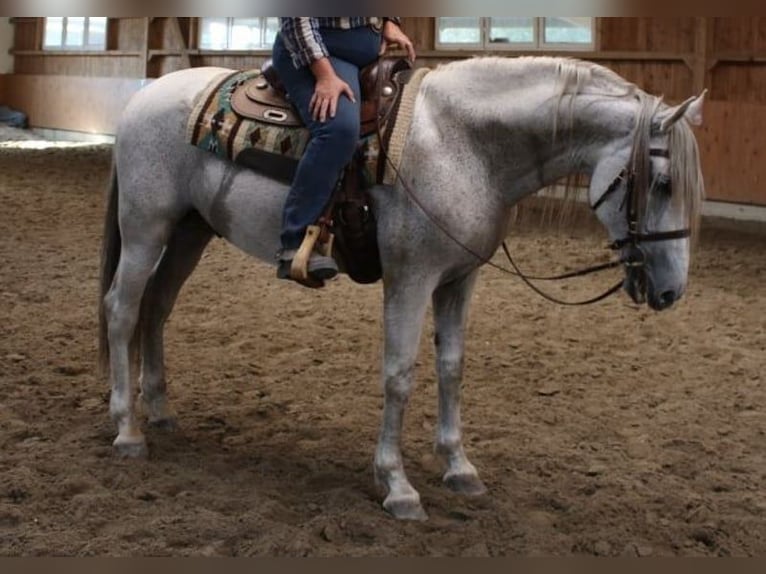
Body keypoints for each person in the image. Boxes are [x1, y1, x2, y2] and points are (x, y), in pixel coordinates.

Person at [272, 17, 416, 284]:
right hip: (321, 53)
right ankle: (294, 239)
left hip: (369, 51)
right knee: (338, 131)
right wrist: (325, 75)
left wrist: (388, 22)